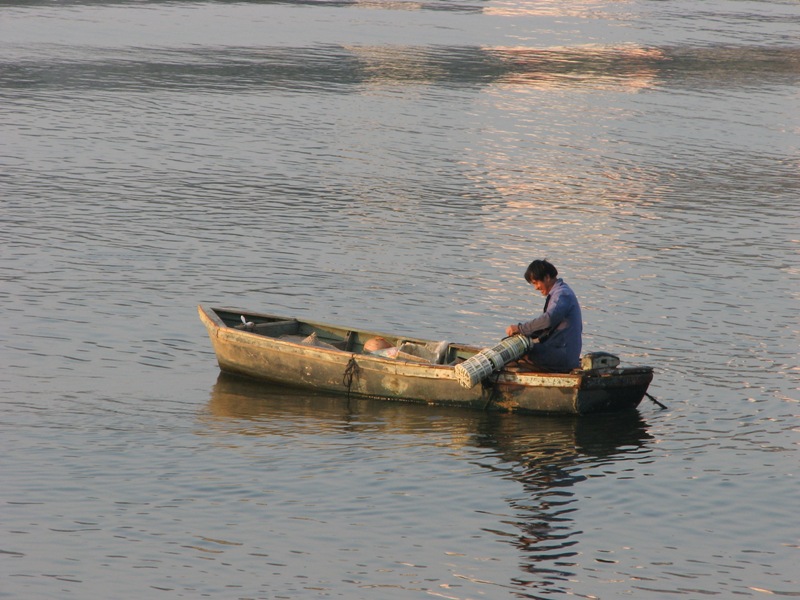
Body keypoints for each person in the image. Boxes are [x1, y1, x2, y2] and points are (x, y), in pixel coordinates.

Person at [505, 259, 582, 373]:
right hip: (560, 350)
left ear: (547, 277)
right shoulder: (559, 293)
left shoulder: (562, 295)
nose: (536, 288)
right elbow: (545, 328)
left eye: (536, 283)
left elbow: (548, 320)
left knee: (514, 353)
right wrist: (523, 334)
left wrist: (520, 328)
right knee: (516, 346)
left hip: (563, 355)